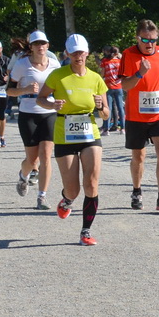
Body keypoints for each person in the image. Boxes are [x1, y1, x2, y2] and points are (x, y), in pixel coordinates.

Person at [38, 34, 109, 245]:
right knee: (74, 189)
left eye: (82, 52)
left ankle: (85, 231)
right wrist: (51, 105)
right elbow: (41, 98)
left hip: (89, 134)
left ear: (87, 53)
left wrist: (100, 107)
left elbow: (106, 115)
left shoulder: (96, 78)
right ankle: (67, 199)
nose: (78, 56)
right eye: (74, 52)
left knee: (92, 184)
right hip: (64, 135)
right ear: (67, 53)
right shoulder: (57, 76)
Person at [115, 19, 159, 211]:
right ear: (137, 38)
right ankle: (136, 190)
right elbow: (124, 85)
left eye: (153, 40)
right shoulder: (128, 54)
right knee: (139, 156)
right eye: (145, 40)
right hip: (136, 115)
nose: (150, 44)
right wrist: (140, 73)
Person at [10, 30, 61, 209]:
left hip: (49, 112)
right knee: (32, 160)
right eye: (37, 44)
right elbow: (9, 90)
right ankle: (23, 176)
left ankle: (42, 197)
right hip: (28, 113)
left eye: (43, 44)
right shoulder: (22, 64)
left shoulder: (55, 65)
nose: (41, 47)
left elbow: (61, 87)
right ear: (30, 47)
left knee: (46, 155)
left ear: (48, 46)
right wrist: (25, 90)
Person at [99, 46, 124, 132]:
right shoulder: (120, 61)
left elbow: (102, 73)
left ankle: (106, 129)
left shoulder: (105, 61)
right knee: (120, 108)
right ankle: (123, 128)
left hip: (109, 86)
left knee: (108, 107)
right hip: (119, 86)